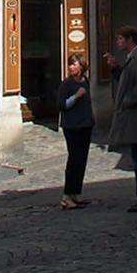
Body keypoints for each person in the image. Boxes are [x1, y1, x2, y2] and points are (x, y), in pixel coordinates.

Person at [104, 25, 137, 212]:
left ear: (129, 40)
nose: (117, 42)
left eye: (120, 39)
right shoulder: (133, 58)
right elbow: (129, 80)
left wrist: (126, 101)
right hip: (135, 117)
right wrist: (115, 68)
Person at [57, 53, 95, 210]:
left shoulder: (85, 81)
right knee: (73, 160)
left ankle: (75, 193)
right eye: (70, 64)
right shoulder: (66, 84)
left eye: (74, 64)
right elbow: (62, 105)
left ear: (82, 66)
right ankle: (67, 196)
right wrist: (76, 96)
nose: (71, 67)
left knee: (82, 160)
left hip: (85, 125)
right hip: (71, 126)